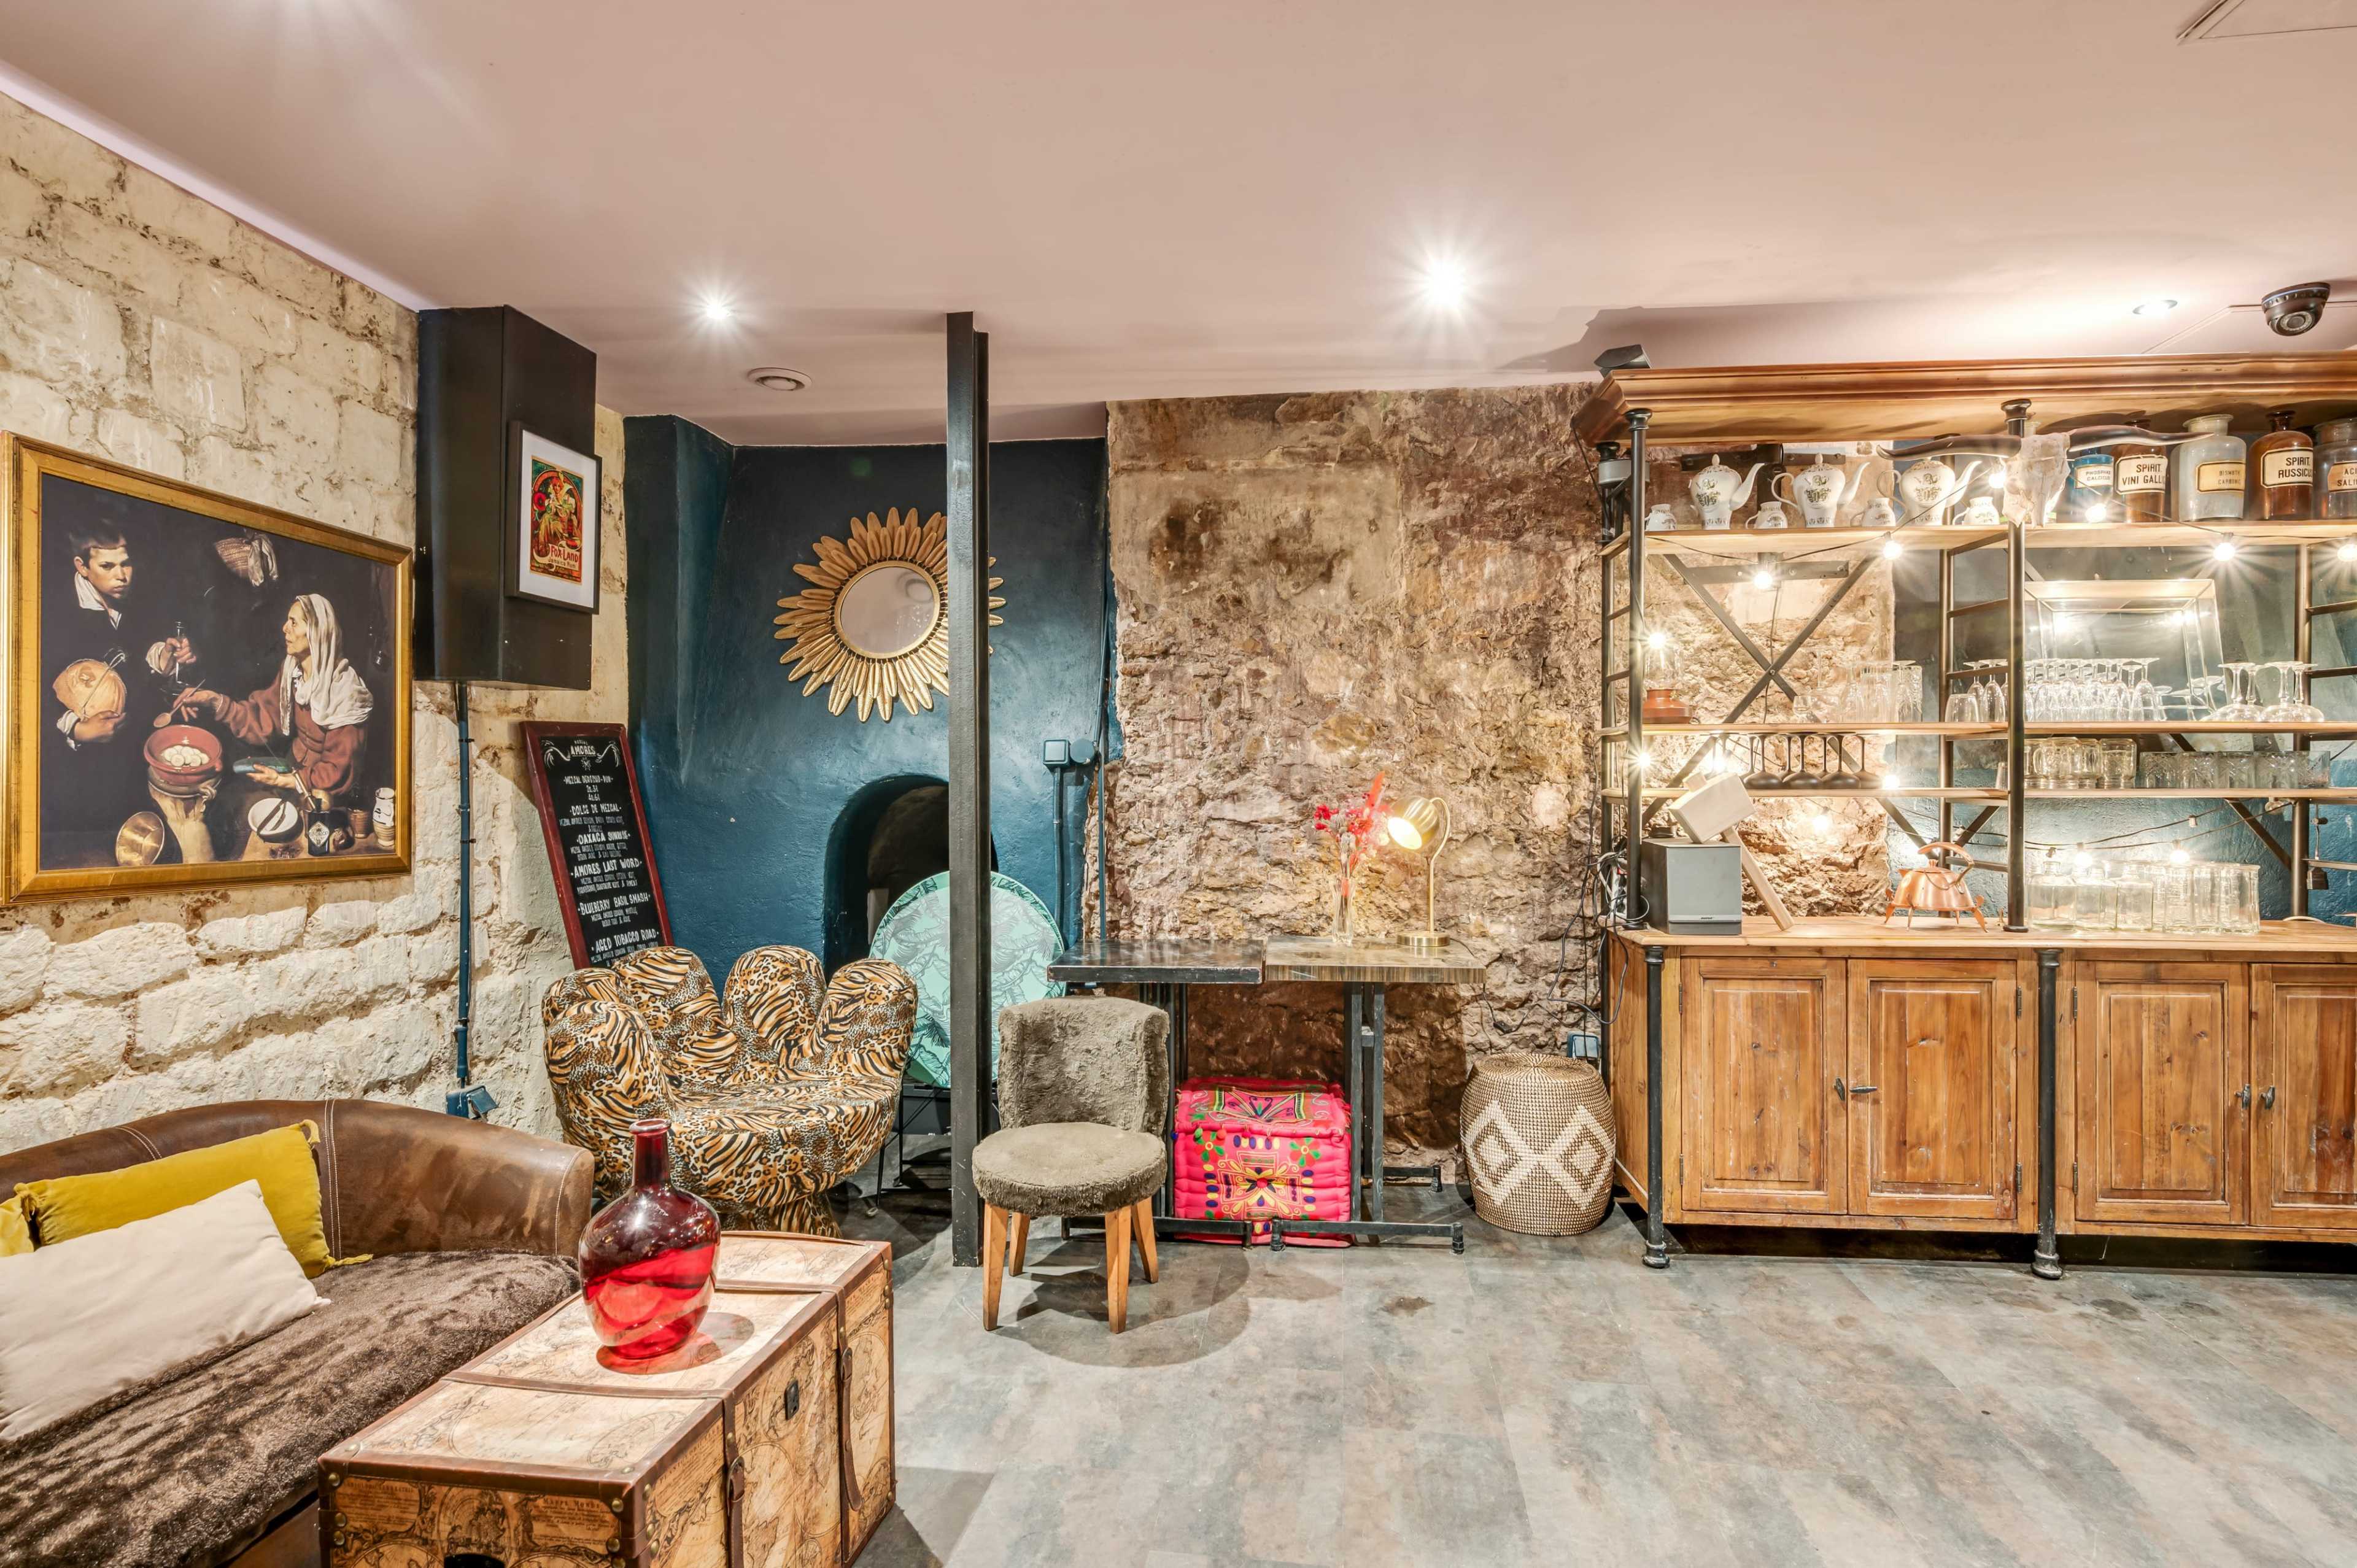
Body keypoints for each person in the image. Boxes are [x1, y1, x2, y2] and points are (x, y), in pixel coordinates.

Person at [41, 522, 196, 860]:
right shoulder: (50, 611)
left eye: (126, 563)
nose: (122, 575)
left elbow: (134, 660)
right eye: (107, 566)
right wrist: (77, 728)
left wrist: (165, 657)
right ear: (82, 567)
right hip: (71, 769)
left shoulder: (133, 598)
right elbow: (23, 691)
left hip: (130, 750)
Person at [181, 593, 373, 803]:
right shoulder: (292, 670)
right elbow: (264, 718)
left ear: (317, 633)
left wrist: (285, 781)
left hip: (326, 789)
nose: (285, 628)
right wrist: (216, 702)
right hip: (291, 766)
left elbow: (339, 769)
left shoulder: (346, 693)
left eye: (294, 622)